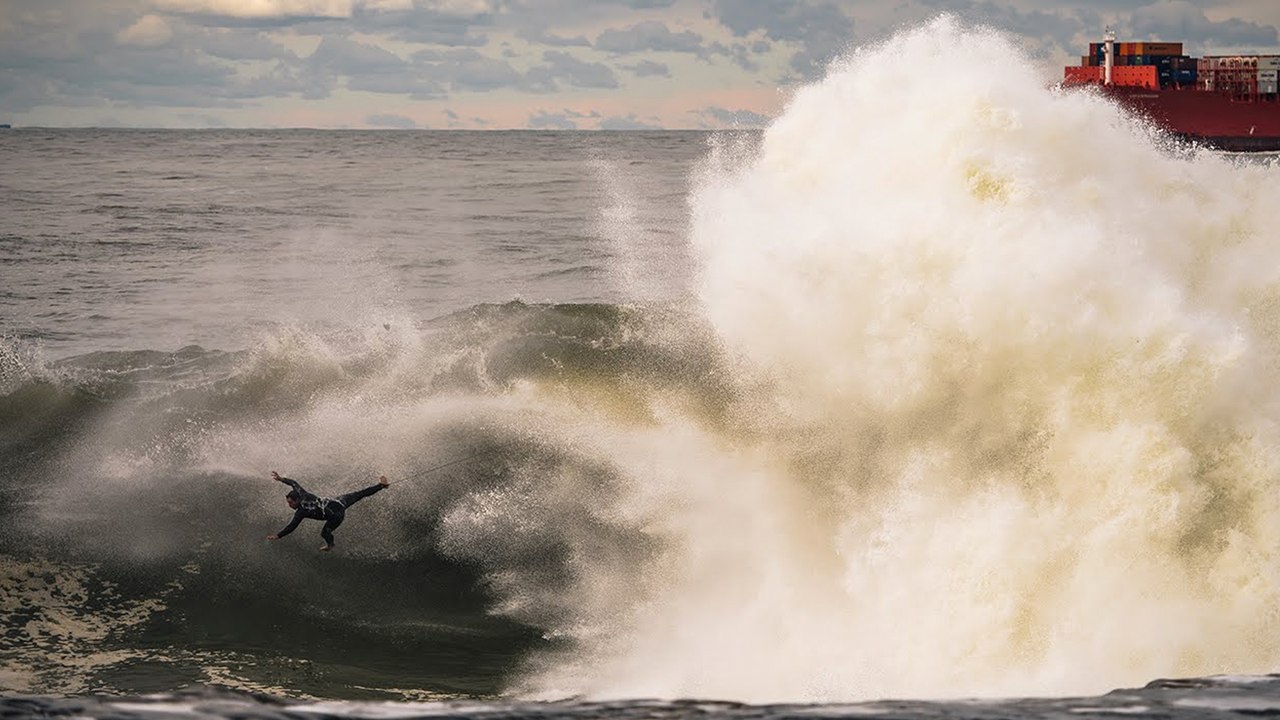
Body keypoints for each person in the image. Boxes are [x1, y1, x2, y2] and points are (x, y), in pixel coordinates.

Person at [266, 470, 389, 551]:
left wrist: (278, 535)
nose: (289, 505)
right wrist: (281, 479)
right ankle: (381, 485)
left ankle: (330, 545)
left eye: (291, 502)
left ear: (297, 500)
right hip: (338, 502)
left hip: (337, 515)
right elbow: (293, 483)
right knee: (360, 494)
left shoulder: (301, 511)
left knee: (325, 533)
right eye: (288, 502)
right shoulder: (301, 493)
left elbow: (292, 526)